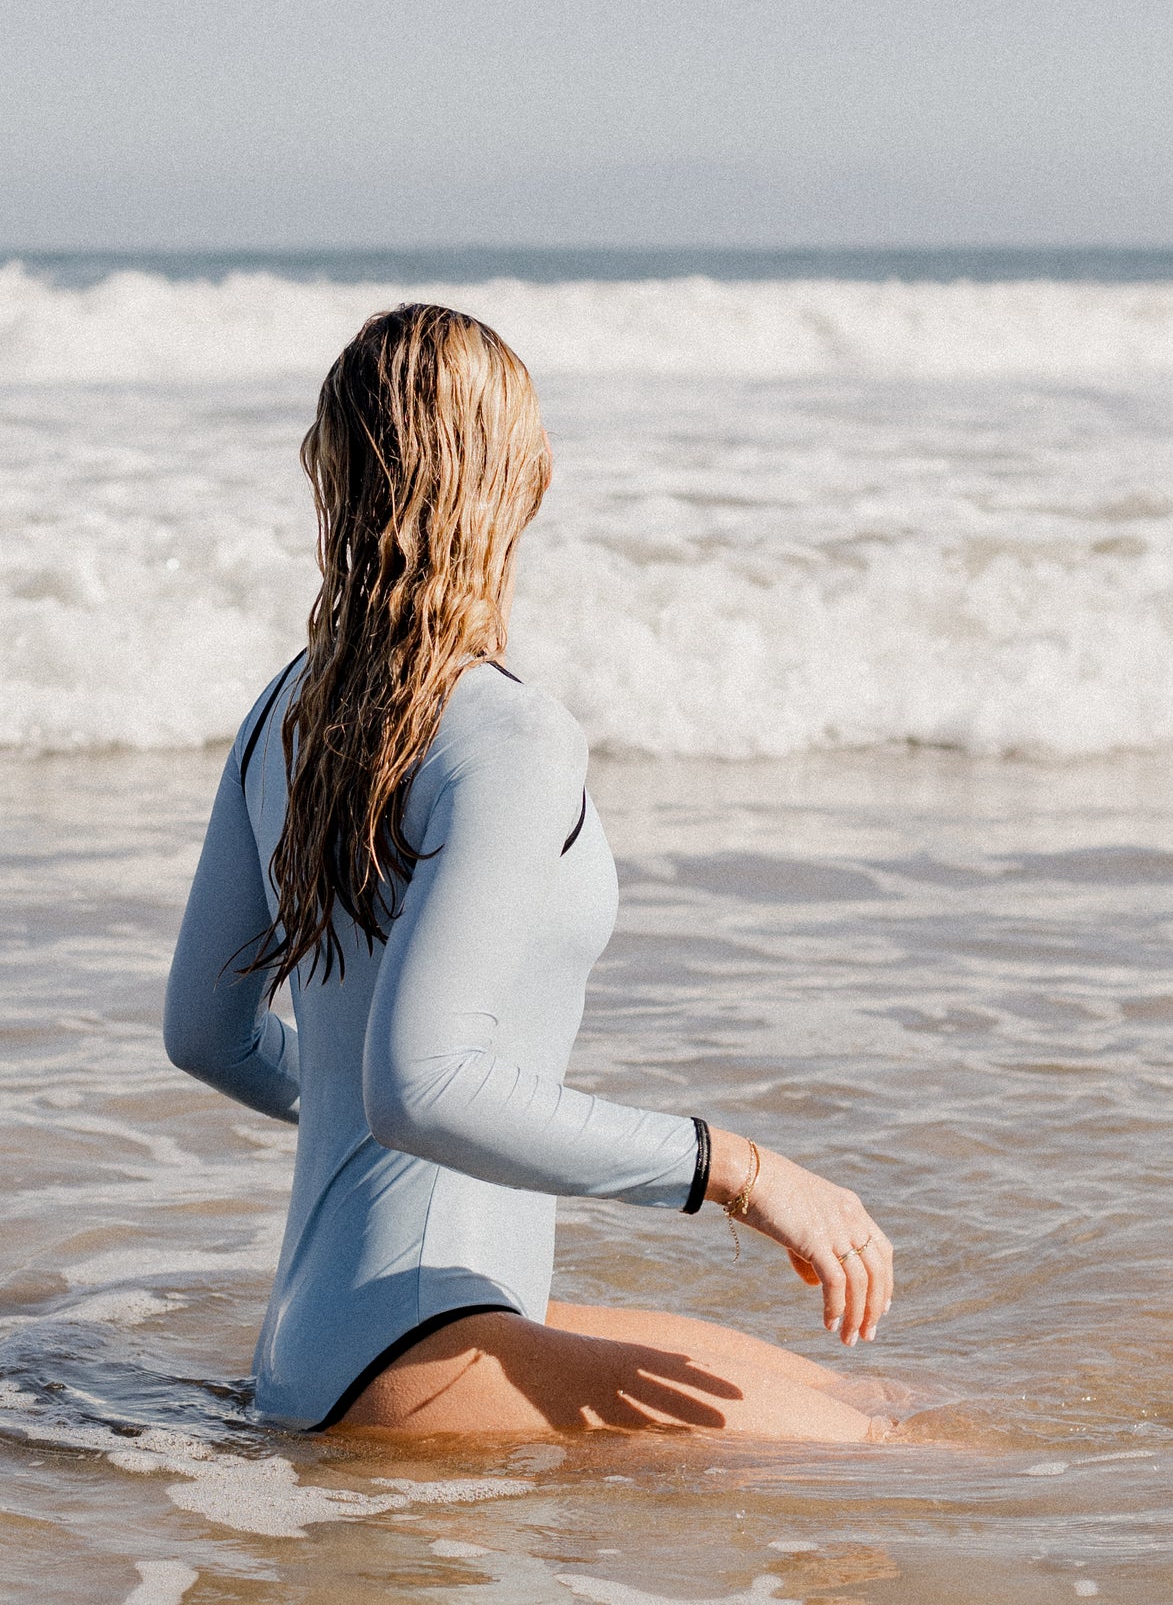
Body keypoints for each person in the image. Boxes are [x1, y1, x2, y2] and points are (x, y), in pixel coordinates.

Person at [164, 304, 894, 1439]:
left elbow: (207, 1035)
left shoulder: (284, 709)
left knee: (885, 1400)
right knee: (879, 1454)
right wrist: (739, 1170)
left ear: (334, 471)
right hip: (412, 1346)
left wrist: (382, 1117)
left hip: (329, 1336)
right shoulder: (509, 735)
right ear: (520, 477)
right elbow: (427, 1087)